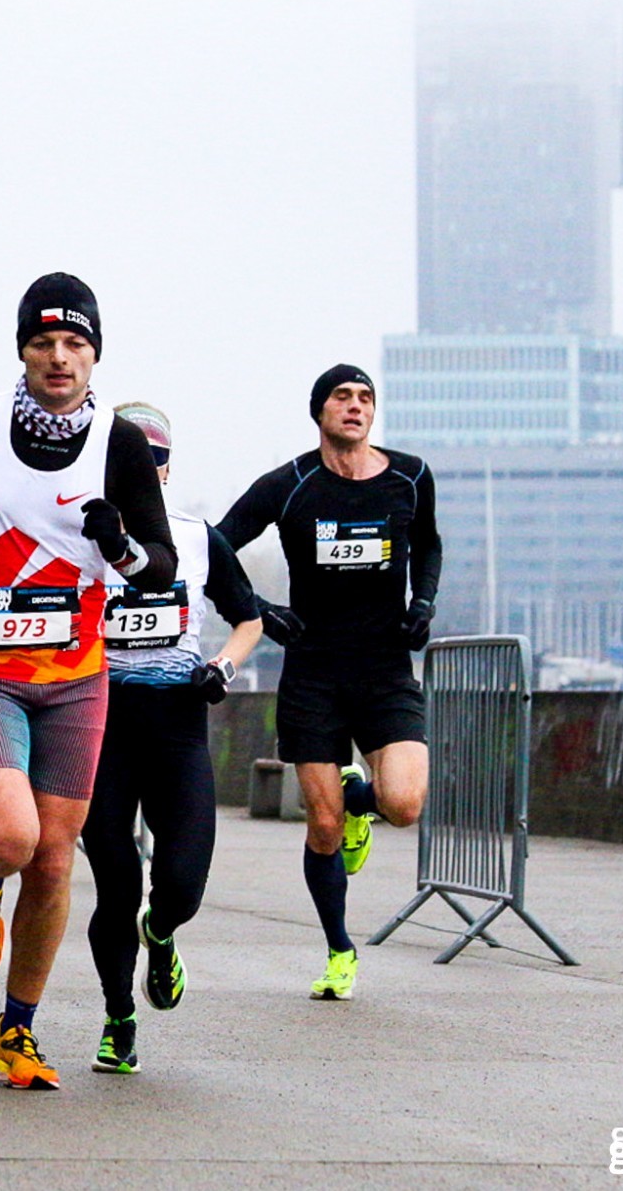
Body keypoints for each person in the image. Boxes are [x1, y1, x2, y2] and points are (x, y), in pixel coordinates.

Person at [0, 273, 176, 1090]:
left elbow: (157, 567)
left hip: (76, 674)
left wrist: (119, 546)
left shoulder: (118, 445)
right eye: (44, 342)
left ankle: (18, 1031)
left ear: (95, 355)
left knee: (53, 861)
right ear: (23, 348)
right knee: (12, 838)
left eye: (75, 344)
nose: (59, 357)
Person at [217, 364, 442, 1002]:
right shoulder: (289, 486)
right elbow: (217, 548)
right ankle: (340, 951)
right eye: (342, 397)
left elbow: (429, 545)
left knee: (404, 803)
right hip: (313, 671)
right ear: (319, 412)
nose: (355, 406)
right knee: (321, 826)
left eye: (365, 398)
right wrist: (261, 610)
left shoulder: (410, 476)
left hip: (385, 669)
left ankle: (360, 803)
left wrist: (423, 602)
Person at [81, 402, 263, 1075]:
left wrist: (222, 666)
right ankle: (118, 1019)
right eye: (132, 460)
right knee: (117, 881)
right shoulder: (78, 536)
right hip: (102, 723)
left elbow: (248, 620)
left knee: (180, 885)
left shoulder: (193, 536)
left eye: (156, 460)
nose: (146, 471)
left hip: (178, 720)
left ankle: (161, 935)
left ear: (167, 466)